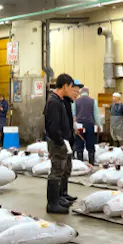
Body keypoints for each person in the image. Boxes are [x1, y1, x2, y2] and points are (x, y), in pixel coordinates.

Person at [44, 74, 77, 214]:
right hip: (57, 143)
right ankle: (52, 204)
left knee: (61, 170)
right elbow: (52, 127)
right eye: (71, 87)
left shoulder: (60, 101)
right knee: (56, 172)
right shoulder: (54, 102)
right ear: (65, 85)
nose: (72, 90)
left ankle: (57, 199)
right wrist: (61, 142)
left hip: (62, 142)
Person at [73, 86, 97, 164]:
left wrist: (74, 125)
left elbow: (73, 114)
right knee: (90, 142)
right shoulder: (93, 101)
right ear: (88, 93)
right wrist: (99, 125)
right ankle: (91, 162)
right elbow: (96, 115)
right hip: (89, 124)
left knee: (79, 143)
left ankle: (80, 163)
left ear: (80, 93)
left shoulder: (75, 102)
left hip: (79, 125)